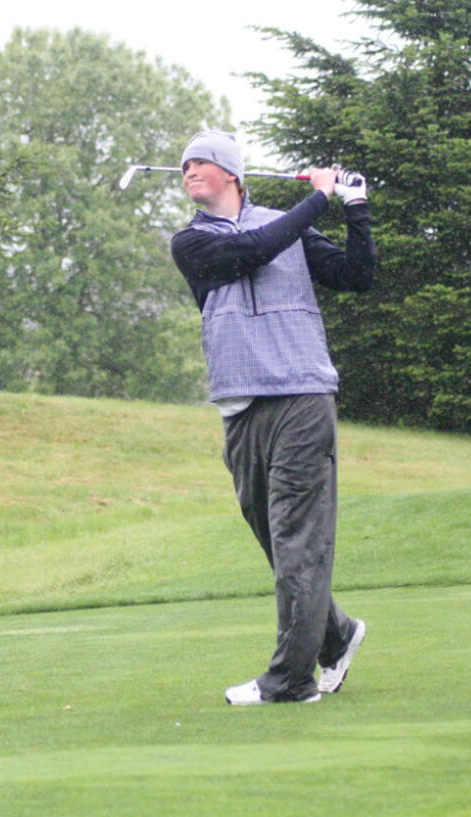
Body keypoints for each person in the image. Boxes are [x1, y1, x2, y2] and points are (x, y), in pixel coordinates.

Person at [169, 131, 377, 705]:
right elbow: (254, 249)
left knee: (297, 542)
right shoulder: (191, 242)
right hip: (239, 405)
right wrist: (319, 198)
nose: (188, 170)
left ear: (232, 173)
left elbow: (355, 276)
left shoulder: (290, 226)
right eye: (184, 164)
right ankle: (335, 634)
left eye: (201, 162)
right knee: (278, 540)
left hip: (302, 395)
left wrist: (354, 207)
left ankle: (291, 680)